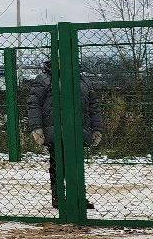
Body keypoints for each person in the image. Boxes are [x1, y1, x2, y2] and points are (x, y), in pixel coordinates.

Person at [25, 67, 101, 211]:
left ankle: (78, 196)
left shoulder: (82, 80)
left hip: (77, 129)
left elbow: (93, 105)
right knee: (57, 163)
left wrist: (97, 129)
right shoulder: (44, 79)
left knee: (76, 164)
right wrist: (37, 128)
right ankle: (58, 196)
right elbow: (34, 104)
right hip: (55, 130)